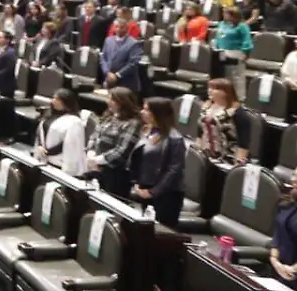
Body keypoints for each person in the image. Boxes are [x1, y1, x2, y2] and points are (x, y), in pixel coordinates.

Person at [132, 97, 187, 227]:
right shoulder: (146, 131)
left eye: (146, 109)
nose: (142, 112)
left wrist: (153, 192)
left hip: (167, 196)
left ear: (157, 113)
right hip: (146, 189)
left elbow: (174, 170)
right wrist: (137, 183)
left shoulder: (175, 139)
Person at [85, 87, 141, 198]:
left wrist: (98, 160)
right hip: (97, 168)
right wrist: (90, 153)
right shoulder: (109, 116)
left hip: (116, 174)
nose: (108, 102)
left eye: (112, 100)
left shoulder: (133, 123)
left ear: (123, 102)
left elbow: (122, 151)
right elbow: (95, 135)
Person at [195, 78, 251, 165]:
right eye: (209, 88)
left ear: (225, 92)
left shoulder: (238, 113)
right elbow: (199, 133)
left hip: (229, 159)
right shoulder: (205, 108)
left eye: (215, 89)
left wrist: (238, 164)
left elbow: (243, 143)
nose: (210, 91)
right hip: (206, 156)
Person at [37, 89, 87, 177]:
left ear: (66, 102)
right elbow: (40, 131)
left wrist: (48, 152)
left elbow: (70, 144)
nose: (54, 101)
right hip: (44, 159)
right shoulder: (49, 115)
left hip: (58, 163)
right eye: (54, 98)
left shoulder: (75, 121)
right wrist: (41, 146)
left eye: (58, 99)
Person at [214, 7, 254, 98]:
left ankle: (239, 97)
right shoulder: (222, 24)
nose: (224, 15)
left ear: (234, 15)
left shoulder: (242, 26)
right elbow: (218, 37)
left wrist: (245, 52)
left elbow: (247, 40)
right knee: (224, 76)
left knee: (237, 77)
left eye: (226, 13)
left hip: (236, 53)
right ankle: (226, 97)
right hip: (222, 52)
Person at [100, 18, 143, 93]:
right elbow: (103, 58)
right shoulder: (108, 40)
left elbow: (133, 63)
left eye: (121, 27)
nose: (118, 29)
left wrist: (117, 75)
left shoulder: (134, 43)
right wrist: (107, 72)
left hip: (127, 84)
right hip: (109, 81)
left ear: (127, 29)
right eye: (116, 27)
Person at [269, 181, 297, 288]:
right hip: (279, 273)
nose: (294, 179)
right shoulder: (286, 204)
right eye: (294, 174)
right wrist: (274, 260)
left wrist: (293, 270)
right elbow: (277, 235)